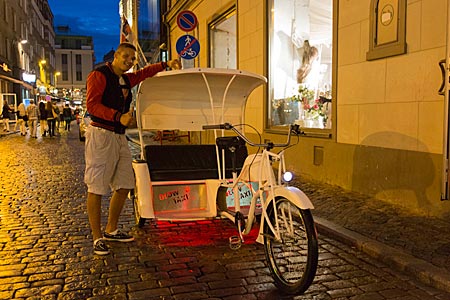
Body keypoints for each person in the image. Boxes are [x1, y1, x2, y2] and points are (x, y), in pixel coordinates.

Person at [85, 42, 181, 255]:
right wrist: (118, 116)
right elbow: (91, 106)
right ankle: (97, 236)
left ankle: (111, 229)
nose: (129, 61)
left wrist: (166, 64)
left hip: (119, 136)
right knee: (97, 185)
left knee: (125, 183)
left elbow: (144, 73)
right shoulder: (99, 75)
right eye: (126, 57)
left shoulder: (126, 79)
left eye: (132, 59)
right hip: (101, 135)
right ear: (116, 56)